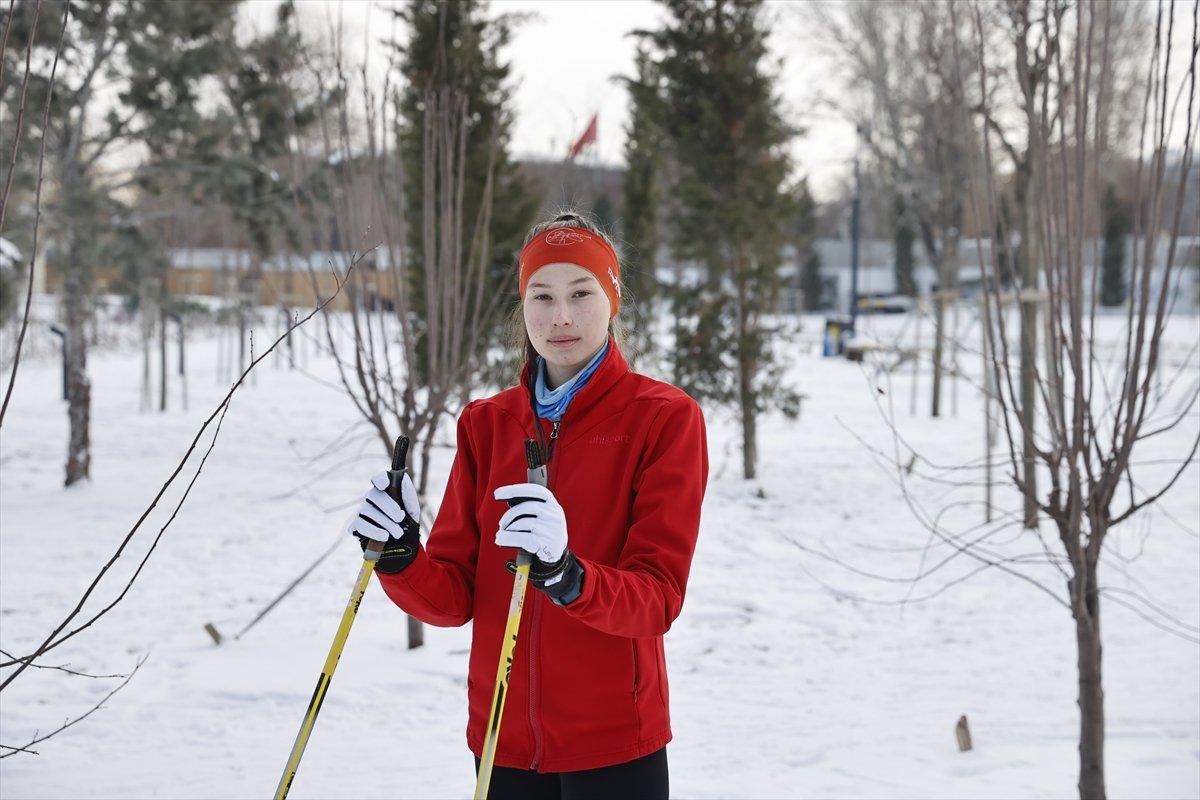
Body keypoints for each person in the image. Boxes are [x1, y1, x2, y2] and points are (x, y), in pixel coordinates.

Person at [348, 211, 708, 799]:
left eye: (581, 293)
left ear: (612, 300)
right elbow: (454, 596)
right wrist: (400, 555)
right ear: (524, 308)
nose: (560, 316)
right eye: (542, 296)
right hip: (503, 742)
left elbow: (657, 598)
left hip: (614, 744)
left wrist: (567, 575)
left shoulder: (662, 419)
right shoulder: (487, 425)